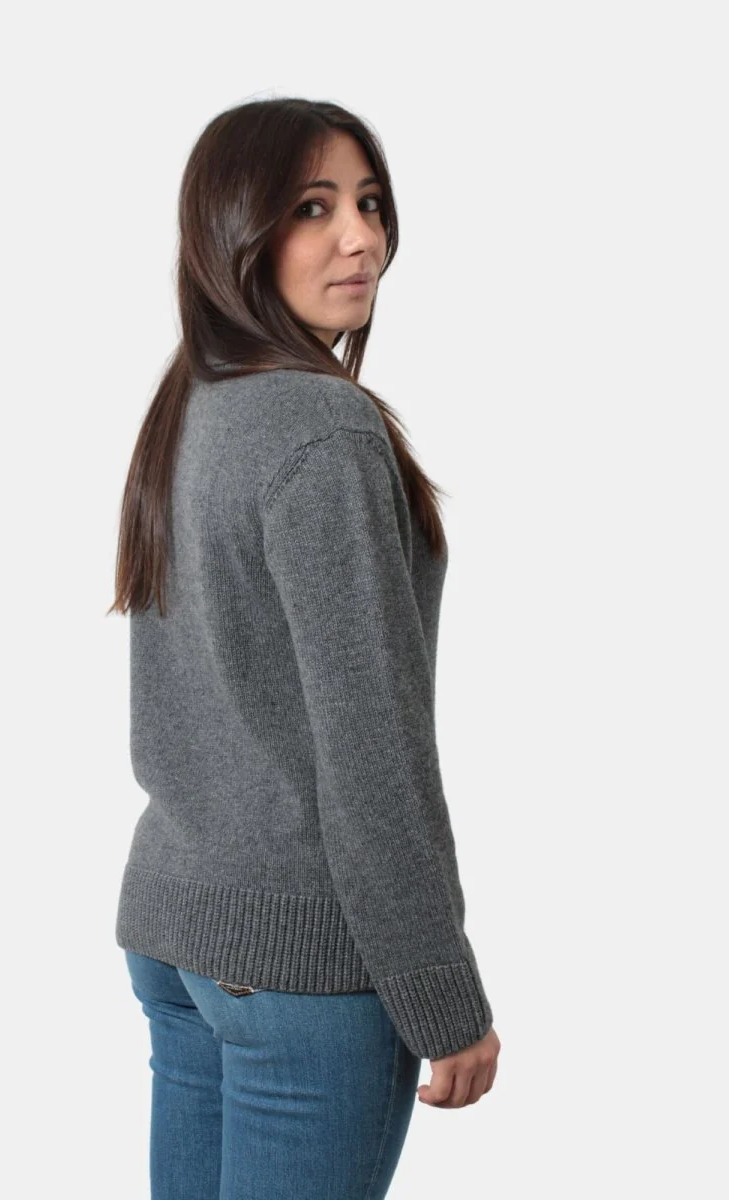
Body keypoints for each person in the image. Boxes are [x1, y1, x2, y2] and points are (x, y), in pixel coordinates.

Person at [107, 96, 501, 1199]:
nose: (360, 239)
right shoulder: (323, 429)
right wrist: (442, 995)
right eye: (312, 208)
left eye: (370, 205)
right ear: (234, 229)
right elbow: (370, 749)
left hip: (178, 927)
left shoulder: (195, 400)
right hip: (298, 962)